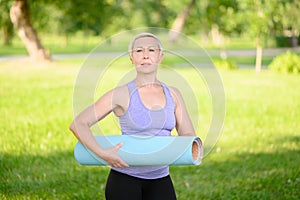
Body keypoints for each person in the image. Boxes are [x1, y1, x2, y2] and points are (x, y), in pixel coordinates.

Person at [69, 32, 198, 200]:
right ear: (131, 58)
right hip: (125, 180)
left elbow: (188, 135)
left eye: (151, 50)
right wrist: (102, 153)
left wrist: (172, 146)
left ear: (160, 56)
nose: (145, 55)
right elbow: (79, 123)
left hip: (161, 179)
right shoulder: (121, 94)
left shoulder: (174, 94)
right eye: (139, 51)